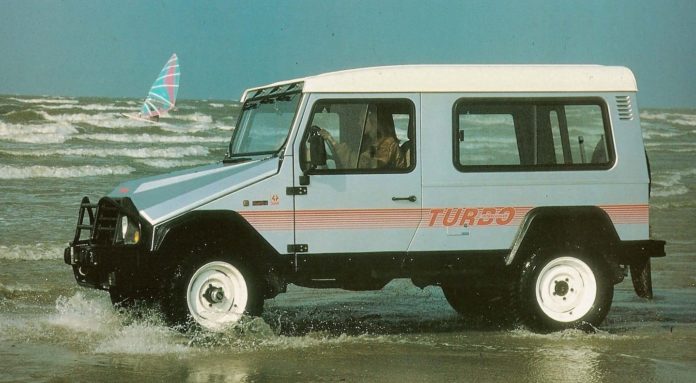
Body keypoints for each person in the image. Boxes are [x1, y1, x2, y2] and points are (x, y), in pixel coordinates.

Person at [319, 106, 406, 169]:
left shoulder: (387, 144)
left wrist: (333, 142)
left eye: (362, 120)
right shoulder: (373, 143)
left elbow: (363, 166)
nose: (359, 123)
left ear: (372, 120)